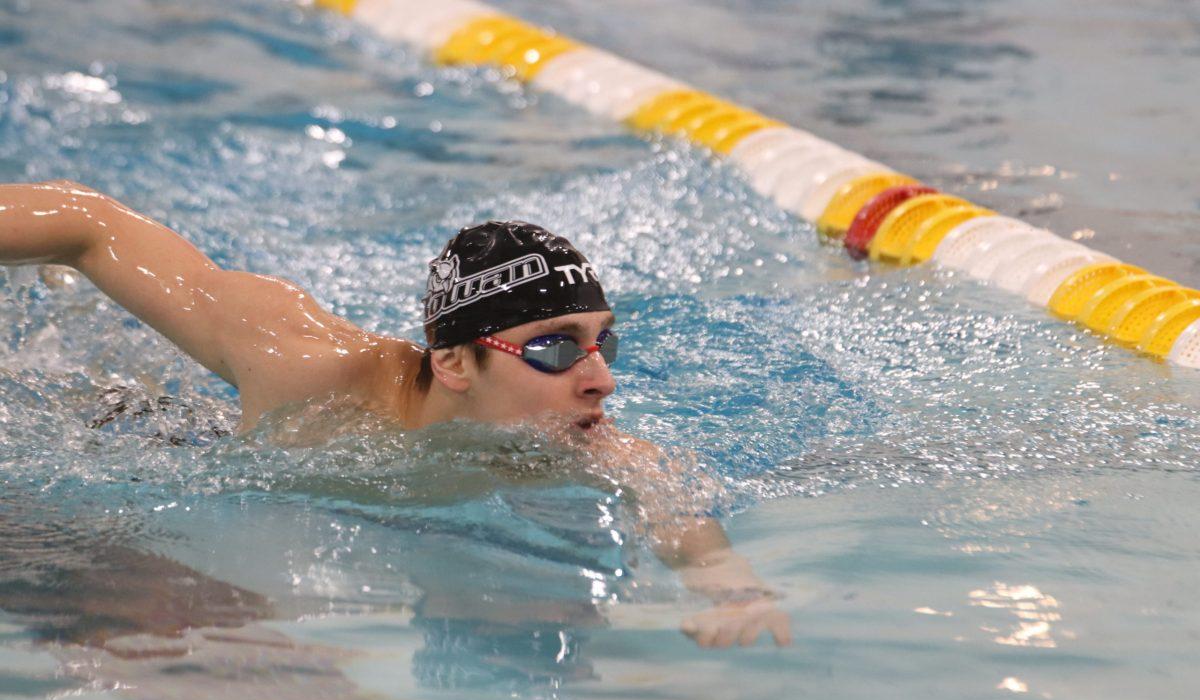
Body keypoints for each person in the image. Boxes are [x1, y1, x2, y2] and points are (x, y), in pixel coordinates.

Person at [0, 179, 791, 648]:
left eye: (602, 344)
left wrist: (734, 590)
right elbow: (91, 228)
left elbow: (677, 516)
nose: (600, 381)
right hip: (173, 437)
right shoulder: (300, 363)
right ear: (453, 362)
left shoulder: (584, 445)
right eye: (554, 349)